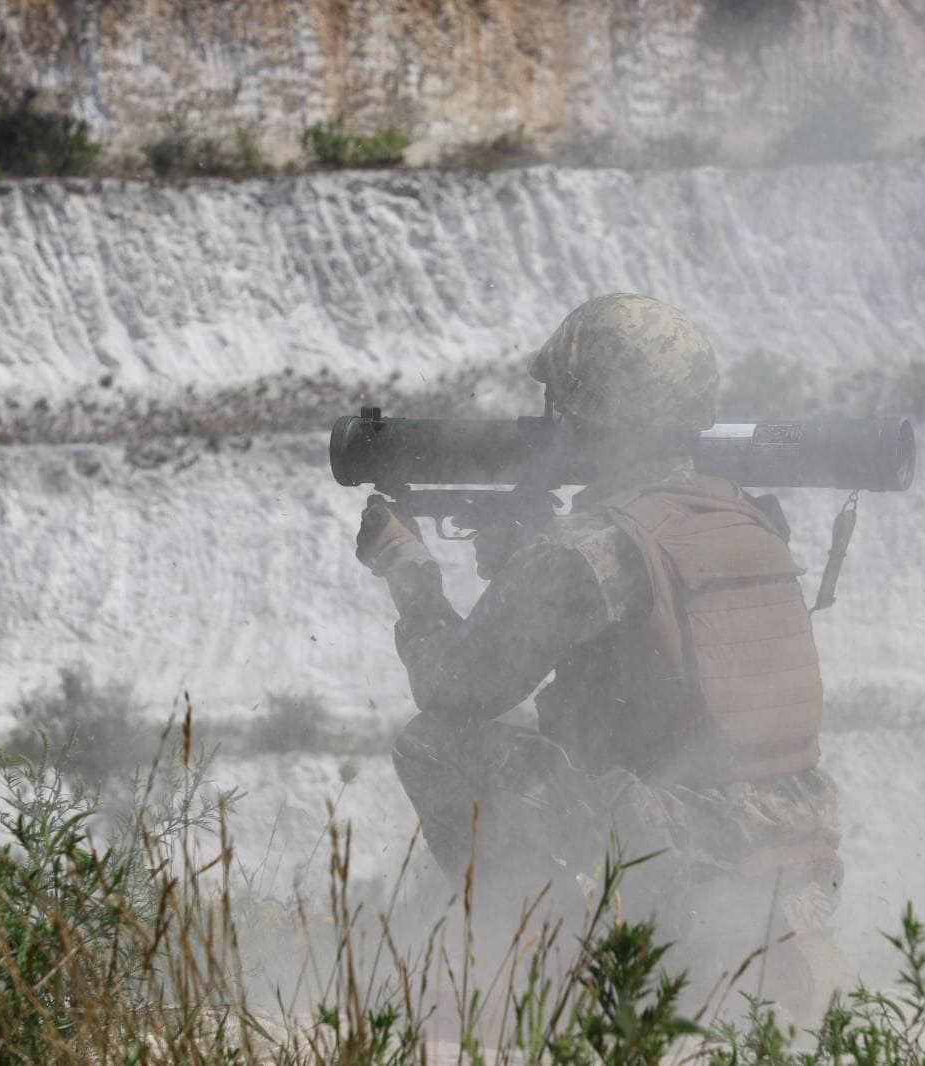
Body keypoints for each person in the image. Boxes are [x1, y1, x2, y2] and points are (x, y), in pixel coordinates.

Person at [354, 293, 841, 1001]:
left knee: (433, 742)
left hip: (693, 842)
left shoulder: (592, 547)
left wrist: (409, 569)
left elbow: (454, 685)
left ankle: (537, 969)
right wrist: (525, 563)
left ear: (591, 414)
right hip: (801, 829)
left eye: (561, 406)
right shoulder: (746, 514)